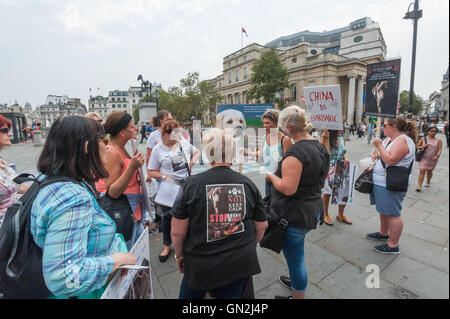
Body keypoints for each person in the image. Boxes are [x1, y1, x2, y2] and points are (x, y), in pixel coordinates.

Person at [30, 116, 136, 298]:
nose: (107, 145)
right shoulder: (72, 199)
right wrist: (116, 261)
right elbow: (63, 277)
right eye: (103, 140)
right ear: (88, 147)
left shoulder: (51, 181)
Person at [171, 128, 268, 299]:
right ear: (232, 153)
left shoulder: (192, 184)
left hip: (200, 266)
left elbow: (178, 232)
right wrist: (248, 246)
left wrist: (180, 257)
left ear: (208, 154)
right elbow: (261, 226)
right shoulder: (247, 183)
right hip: (238, 264)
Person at [265, 106, 330, 299]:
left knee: (296, 260)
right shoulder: (319, 146)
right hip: (311, 209)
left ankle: (298, 294)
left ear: (288, 129)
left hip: (294, 215)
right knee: (296, 257)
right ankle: (295, 281)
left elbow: (287, 188)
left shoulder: (295, 153)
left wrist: (271, 177)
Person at [148, 119, 200, 263]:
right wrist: (164, 176)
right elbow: (151, 171)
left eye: (176, 131)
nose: (173, 135)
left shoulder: (183, 143)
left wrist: (191, 163)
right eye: (170, 131)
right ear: (163, 133)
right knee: (167, 217)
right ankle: (166, 246)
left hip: (186, 184)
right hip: (169, 187)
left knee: (188, 214)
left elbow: (197, 152)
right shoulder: (158, 149)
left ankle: (186, 241)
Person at [96, 111, 146, 249]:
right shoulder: (112, 152)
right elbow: (112, 191)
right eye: (131, 126)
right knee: (129, 252)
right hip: (124, 213)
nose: (135, 128)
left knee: (139, 250)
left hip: (132, 211)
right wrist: (132, 167)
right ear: (122, 132)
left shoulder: (122, 148)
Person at [367, 116, 417, 255]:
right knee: (384, 210)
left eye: (385, 125)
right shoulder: (394, 140)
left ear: (394, 127)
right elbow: (386, 156)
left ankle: (393, 245)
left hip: (391, 183)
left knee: (393, 214)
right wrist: (379, 154)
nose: (383, 127)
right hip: (383, 182)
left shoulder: (403, 140)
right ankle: (384, 233)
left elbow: (391, 160)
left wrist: (379, 146)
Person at [244, 109, 292, 197]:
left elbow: (289, 164)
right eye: (264, 123)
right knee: (268, 206)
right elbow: (261, 153)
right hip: (268, 178)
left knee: (277, 208)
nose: (264, 126)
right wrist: (246, 153)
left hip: (280, 180)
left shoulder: (285, 139)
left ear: (277, 123)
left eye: (268, 123)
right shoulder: (266, 136)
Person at [0, 115, 29, 227]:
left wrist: (40, 188)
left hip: (12, 224)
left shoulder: (2, 161)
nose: (10, 134)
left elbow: (16, 186)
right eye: (4, 130)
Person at [320, 129, 352, 226]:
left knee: (343, 191)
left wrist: (345, 158)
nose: (342, 128)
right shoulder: (327, 137)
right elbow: (324, 154)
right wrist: (325, 138)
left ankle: (340, 215)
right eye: (340, 126)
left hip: (342, 167)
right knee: (327, 193)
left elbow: (342, 152)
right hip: (330, 168)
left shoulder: (340, 137)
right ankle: (325, 214)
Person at [416, 125, 442, 191]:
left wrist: (437, 156)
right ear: (428, 132)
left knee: (429, 171)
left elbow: (439, 149)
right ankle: (419, 186)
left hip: (433, 159)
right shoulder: (423, 139)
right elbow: (417, 146)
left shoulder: (439, 140)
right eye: (431, 131)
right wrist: (422, 146)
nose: (433, 132)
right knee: (422, 171)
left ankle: (428, 181)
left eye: (435, 131)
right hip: (423, 158)